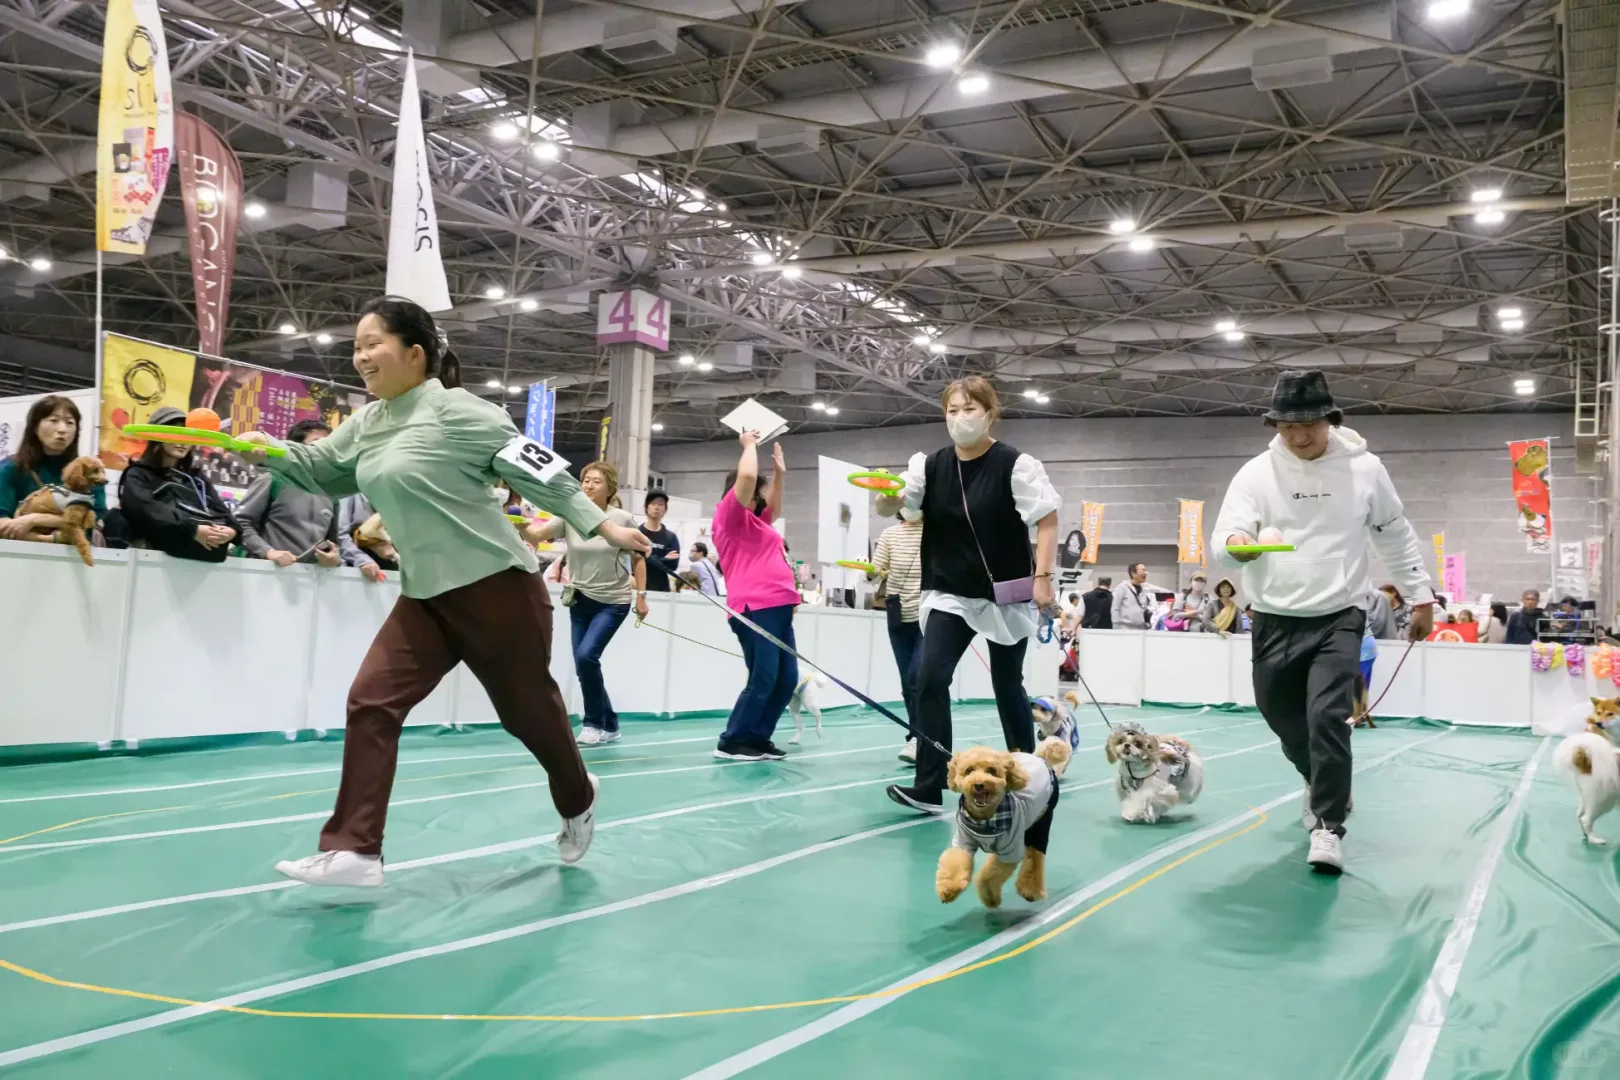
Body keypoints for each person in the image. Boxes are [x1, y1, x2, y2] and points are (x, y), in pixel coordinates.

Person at [237, 295, 650, 887]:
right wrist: (270, 451)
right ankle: (355, 852)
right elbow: (323, 469)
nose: (360, 357)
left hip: (497, 589)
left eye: (371, 343)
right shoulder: (369, 422)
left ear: (414, 353)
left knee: (529, 718)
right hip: (425, 595)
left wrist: (604, 524)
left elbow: (542, 473)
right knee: (372, 700)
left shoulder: (463, 412)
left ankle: (579, 793)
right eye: (355, 347)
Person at [1213, 369, 1433, 875]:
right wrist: (1235, 549)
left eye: (1310, 423)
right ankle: (1319, 777)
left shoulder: (1366, 469)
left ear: (1331, 419)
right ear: (1275, 425)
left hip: (1339, 613)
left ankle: (1328, 825)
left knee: (1326, 718)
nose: (1299, 435)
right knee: (1282, 720)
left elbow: (1394, 534)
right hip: (1272, 617)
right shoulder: (1254, 473)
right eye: (1288, 426)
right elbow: (1225, 538)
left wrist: (1421, 597)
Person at [877, 376, 1061, 814]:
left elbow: (1048, 520)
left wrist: (1043, 577)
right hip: (949, 591)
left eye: (969, 409)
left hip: (1006, 591)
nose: (960, 418)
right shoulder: (929, 465)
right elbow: (902, 507)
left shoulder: (1015, 465)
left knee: (1006, 685)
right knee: (928, 677)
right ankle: (930, 784)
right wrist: (887, 500)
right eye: (952, 411)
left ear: (990, 413)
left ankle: (1025, 776)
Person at [524, 462, 648, 745]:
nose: (589, 486)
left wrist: (641, 597)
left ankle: (593, 723)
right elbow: (536, 535)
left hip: (613, 602)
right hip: (580, 600)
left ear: (610, 488)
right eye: (586, 480)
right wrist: (519, 523)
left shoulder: (622, 518)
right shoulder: (571, 514)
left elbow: (639, 558)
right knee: (585, 664)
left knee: (585, 657)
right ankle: (611, 723)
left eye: (596, 481)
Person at [711, 432, 802, 761]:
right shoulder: (729, 518)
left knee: (786, 678)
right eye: (756, 492)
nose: (761, 498)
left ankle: (758, 737)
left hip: (779, 608)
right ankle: (733, 739)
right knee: (763, 675)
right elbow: (747, 476)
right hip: (754, 607)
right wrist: (749, 444)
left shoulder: (756, 523)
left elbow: (774, 508)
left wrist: (779, 474)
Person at [117, 407, 242, 562]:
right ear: (157, 436)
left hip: (202, 566)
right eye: (175, 434)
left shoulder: (197, 478)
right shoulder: (138, 473)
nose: (182, 442)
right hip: (151, 561)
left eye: (187, 436)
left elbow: (223, 512)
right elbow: (144, 509)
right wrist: (192, 529)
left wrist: (231, 531)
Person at [236, 419, 343, 568]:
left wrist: (334, 558)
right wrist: (268, 552)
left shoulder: (330, 491)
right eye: (317, 443)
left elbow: (333, 540)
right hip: (264, 573)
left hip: (309, 580)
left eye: (327, 444)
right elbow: (241, 523)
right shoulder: (273, 479)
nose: (322, 450)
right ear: (297, 448)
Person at [0, 394, 106, 541]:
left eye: (70, 423)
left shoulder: (88, 471)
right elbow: (3, 523)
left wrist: (35, 519)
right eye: (53, 420)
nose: (62, 429)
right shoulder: (11, 468)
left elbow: (92, 521)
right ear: (35, 427)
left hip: (74, 557)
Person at [871, 509, 924, 763]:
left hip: (929, 614)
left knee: (919, 675)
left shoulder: (937, 531)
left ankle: (923, 737)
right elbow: (875, 571)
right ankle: (917, 737)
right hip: (897, 614)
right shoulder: (890, 534)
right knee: (907, 680)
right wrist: (870, 570)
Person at [338, 493, 395, 581]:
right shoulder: (350, 494)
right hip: (358, 564)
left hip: (396, 565)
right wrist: (362, 560)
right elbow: (340, 535)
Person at [638, 491, 681, 592]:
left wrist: (649, 558)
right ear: (646, 507)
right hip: (639, 587)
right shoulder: (637, 533)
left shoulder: (671, 537)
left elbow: (673, 565)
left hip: (662, 589)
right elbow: (636, 561)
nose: (656, 507)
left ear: (665, 509)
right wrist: (664, 559)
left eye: (661, 504)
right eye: (652, 503)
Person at [1111, 561, 1170, 630]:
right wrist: (1115, 626)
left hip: (1141, 628)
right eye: (1142, 570)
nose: (1145, 573)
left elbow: (1166, 595)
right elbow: (1115, 608)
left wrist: (1176, 598)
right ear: (1133, 574)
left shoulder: (1145, 589)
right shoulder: (1122, 587)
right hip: (1125, 628)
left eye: (1145, 570)